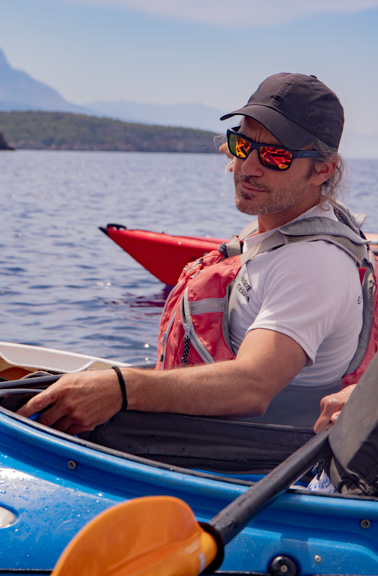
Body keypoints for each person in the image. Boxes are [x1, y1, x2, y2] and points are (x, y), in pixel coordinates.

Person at [19, 73, 376, 434]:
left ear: (323, 169)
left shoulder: (314, 264)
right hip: (205, 439)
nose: (248, 168)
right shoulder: (278, 228)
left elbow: (253, 386)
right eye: (242, 145)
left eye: (275, 155)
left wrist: (122, 389)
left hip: (242, 467)